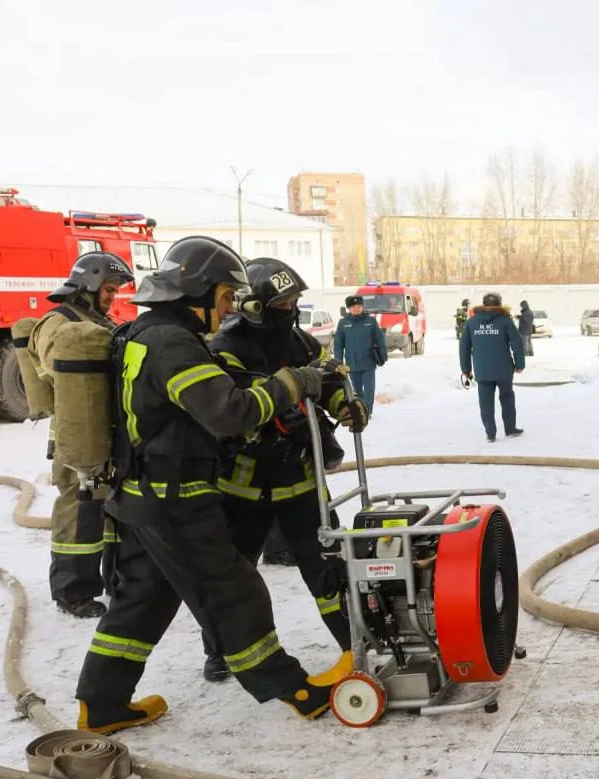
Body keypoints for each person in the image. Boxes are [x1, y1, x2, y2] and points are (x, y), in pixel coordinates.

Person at [74, 235, 345, 734]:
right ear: (195, 294)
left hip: (137, 497)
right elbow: (229, 413)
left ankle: (102, 703)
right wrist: (293, 384)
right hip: (174, 500)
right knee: (234, 592)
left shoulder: (144, 332)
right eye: (222, 298)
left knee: (143, 600)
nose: (227, 310)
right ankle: (296, 690)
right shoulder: (172, 344)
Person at [200, 257, 368, 682]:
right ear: (254, 306)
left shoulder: (305, 345)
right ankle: (221, 650)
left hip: (300, 479)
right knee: (232, 575)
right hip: (244, 485)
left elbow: (328, 384)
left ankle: (355, 643)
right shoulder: (224, 348)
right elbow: (233, 407)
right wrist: (275, 413)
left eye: (295, 300)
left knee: (327, 567)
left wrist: (345, 408)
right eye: (282, 302)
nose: (290, 309)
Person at [28, 252, 133, 618]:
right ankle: (72, 590)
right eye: (108, 288)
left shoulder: (95, 320)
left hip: (102, 430)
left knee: (104, 510)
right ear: (87, 283)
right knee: (78, 511)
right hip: (77, 435)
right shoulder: (57, 324)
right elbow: (62, 370)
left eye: (115, 290)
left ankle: (107, 579)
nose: (112, 296)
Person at [459, 292, 525, 443]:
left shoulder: (472, 322)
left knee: (485, 401)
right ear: (499, 304)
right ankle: (510, 428)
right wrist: (520, 364)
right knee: (507, 397)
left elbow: (464, 347)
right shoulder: (505, 321)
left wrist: (466, 369)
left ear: (484, 304)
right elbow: (517, 343)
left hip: (483, 370)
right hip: (504, 370)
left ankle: (490, 432)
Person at [333, 295, 387, 415]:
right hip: (352, 364)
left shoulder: (371, 322)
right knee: (357, 391)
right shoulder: (343, 323)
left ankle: (368, 411)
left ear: (362, 307)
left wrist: (383, 356)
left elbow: (380, 340)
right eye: (353, 307)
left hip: (368, 362)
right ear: (349, 308)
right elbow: (338, 345)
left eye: (359, 306)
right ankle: (362, 410)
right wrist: (338, 362)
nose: (356, 309)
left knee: (369, 390)